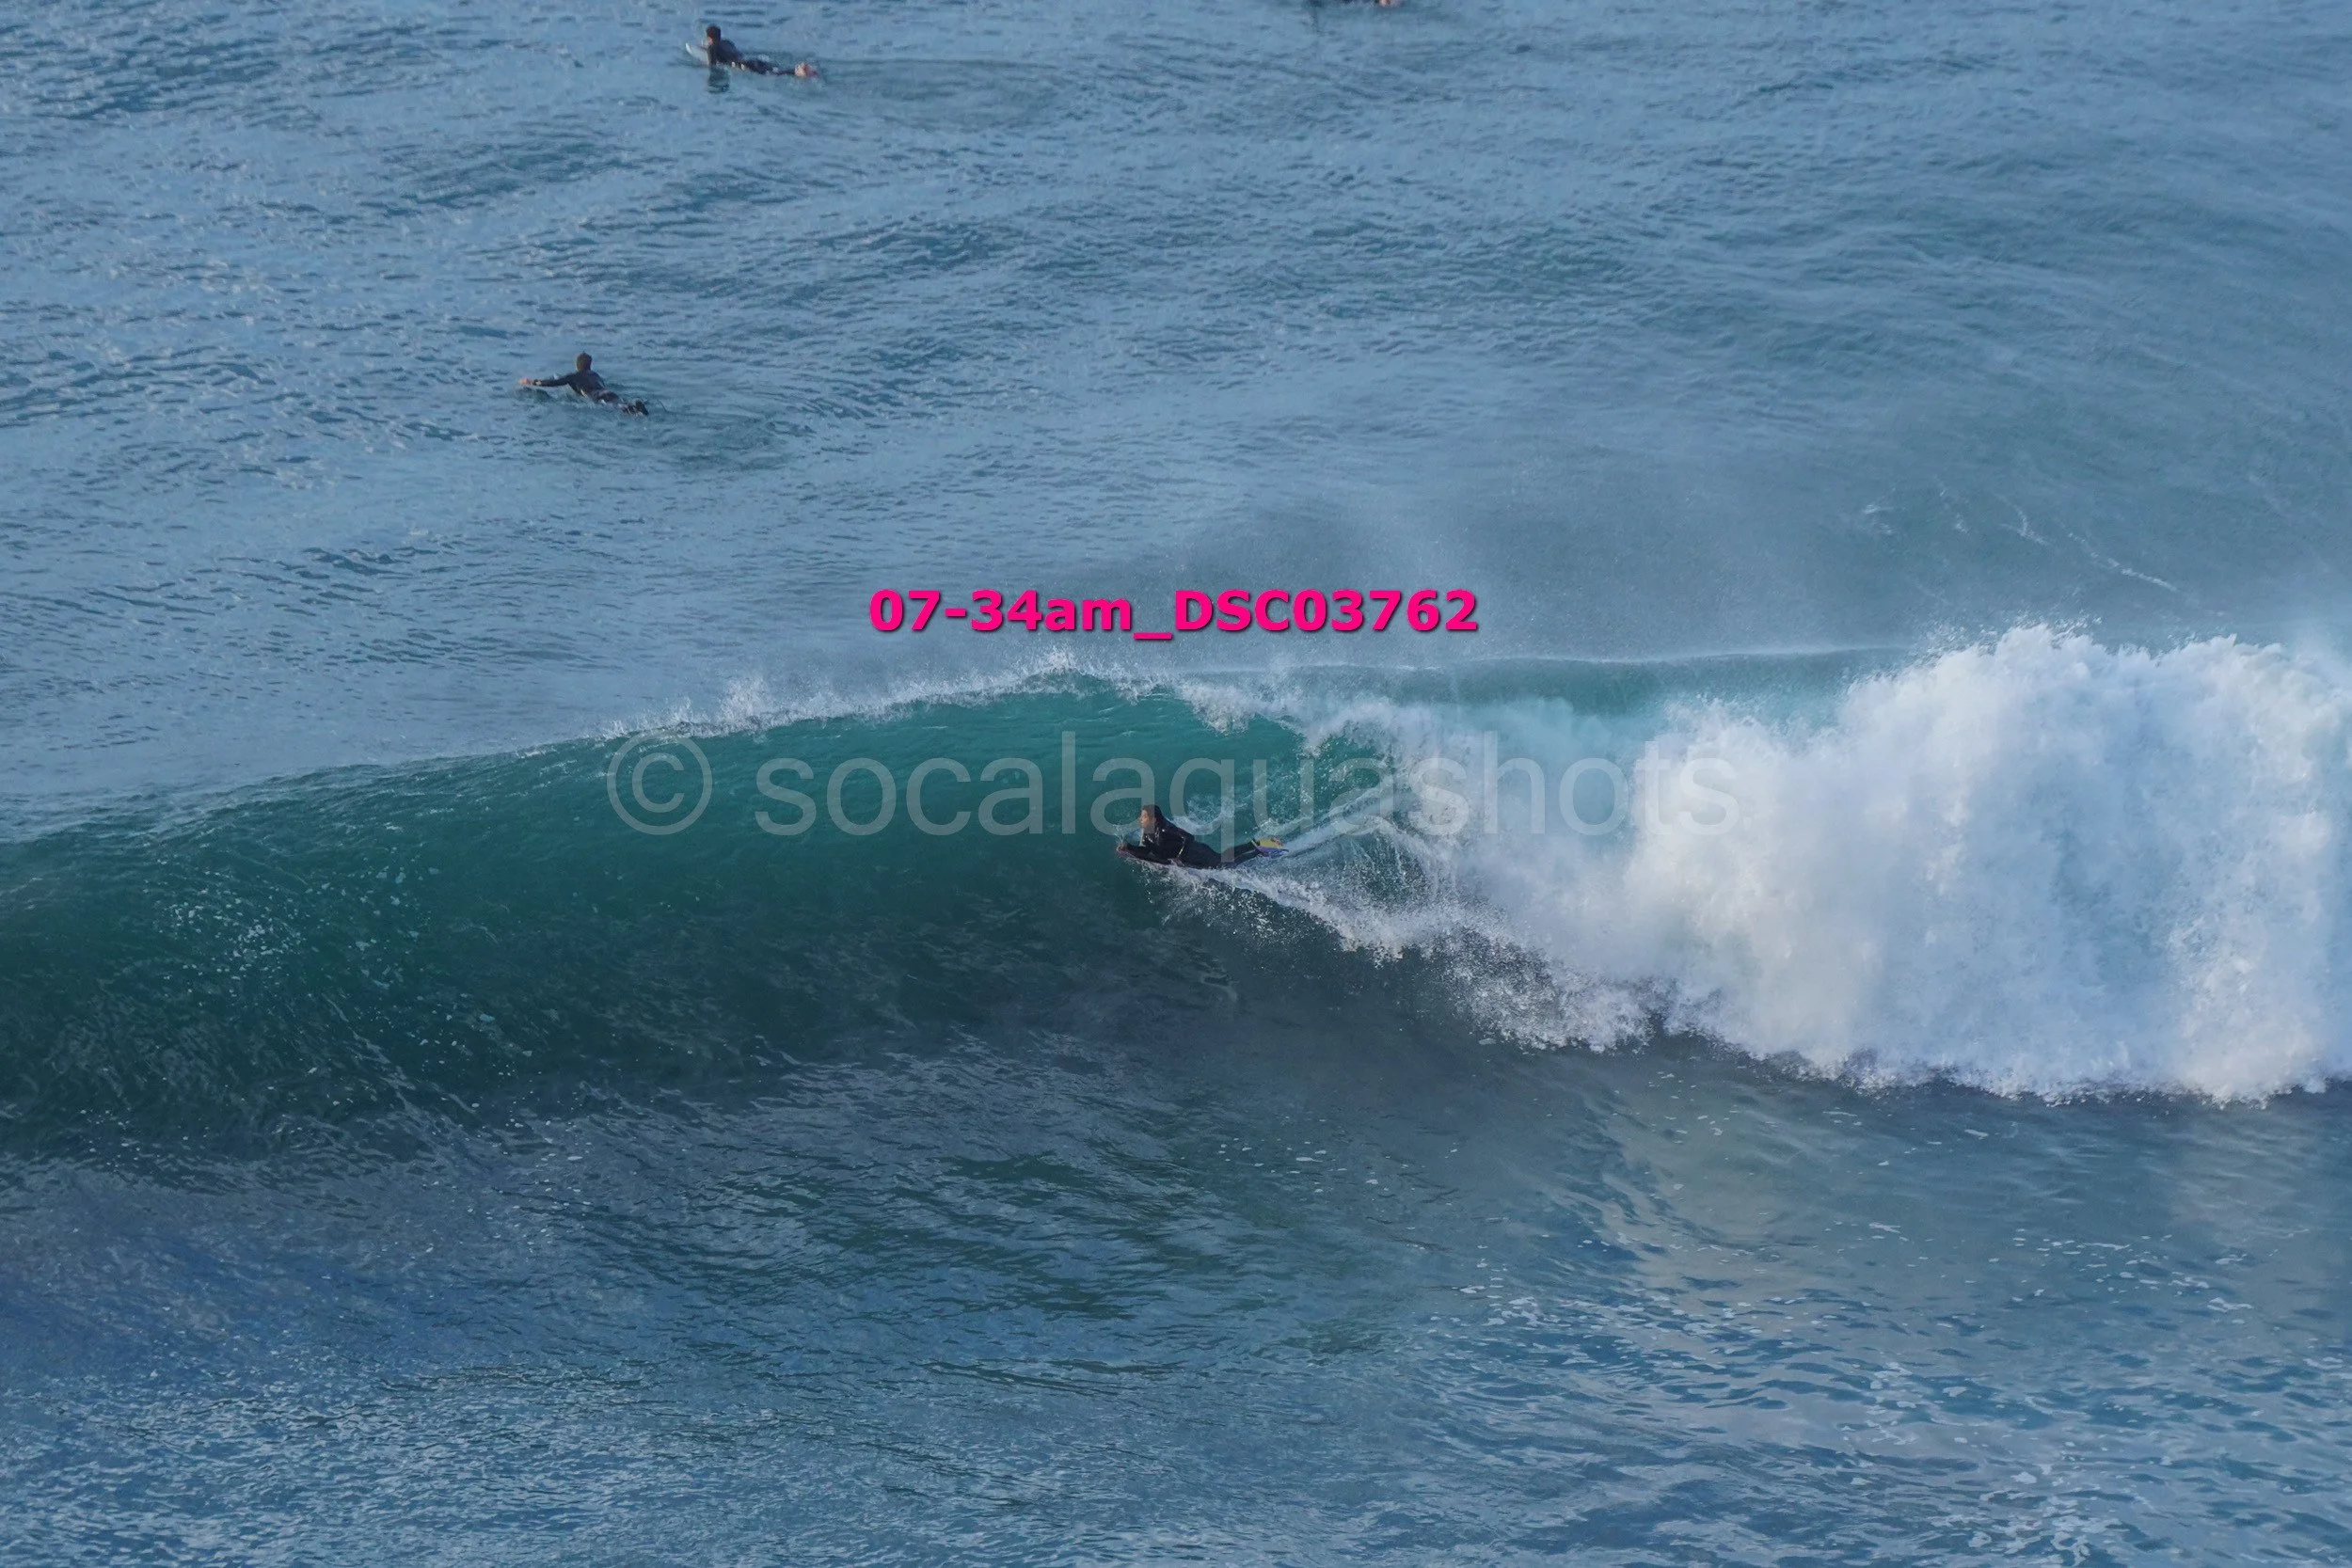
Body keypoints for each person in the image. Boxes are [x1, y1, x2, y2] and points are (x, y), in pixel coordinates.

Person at [1119, 804, 1278, 869]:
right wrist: (1129, 848)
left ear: (1153, 819)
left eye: (1144, 817)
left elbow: (1189, 837)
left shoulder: (1166, 828)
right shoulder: (1147, 833)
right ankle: (1256, 845)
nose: (1140, 819)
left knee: (1224, 864)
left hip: (1198, 853)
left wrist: (1180, 856)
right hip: (1191, 858)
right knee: (1224, 858)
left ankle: (1259, 850)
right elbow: (1147, 850)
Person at [518, 353, 646, 415]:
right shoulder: (596, 375)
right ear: (590, 365)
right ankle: (634, 406)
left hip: (596, 397)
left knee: (616, 408)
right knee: (620, 404)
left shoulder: (573, 376)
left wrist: (531, 381)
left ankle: (632, 409)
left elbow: (553, 383)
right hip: (610, 393)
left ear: (576, 365)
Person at [703, 24, 816, 78]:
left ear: (709, 38)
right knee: (773, 68)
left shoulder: (712, 48)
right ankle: (798, 69)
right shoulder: (727, 42)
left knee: (772, 73)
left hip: (742, 66)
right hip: (750, 60)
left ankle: (799, 73)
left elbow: (712, 65)